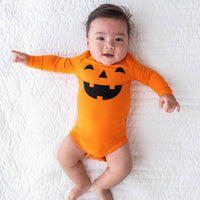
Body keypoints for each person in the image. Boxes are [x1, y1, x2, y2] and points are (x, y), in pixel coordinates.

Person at [12, 3, 180, 200]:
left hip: (115, 143)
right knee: (63, 157)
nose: (109, 45)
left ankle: (102, 186)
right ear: (88, 42)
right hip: (80, 137)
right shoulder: (81, 63)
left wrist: (165, 93)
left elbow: (150, 76)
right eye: (100, 38)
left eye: (118, 39)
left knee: (124, 167)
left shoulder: (129, 66)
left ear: (127, 43)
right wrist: (29, 59)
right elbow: (57, 63)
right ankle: (81, 182)